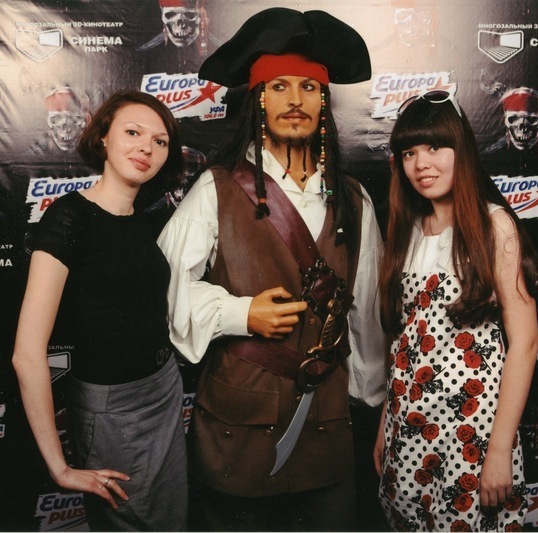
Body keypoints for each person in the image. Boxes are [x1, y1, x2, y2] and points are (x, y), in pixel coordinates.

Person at [157, 7, 387, 531]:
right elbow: (164, 289)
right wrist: (239, 314)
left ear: (324, 101)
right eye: (279, 86)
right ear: (258, 99)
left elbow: (367, 316)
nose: (295, 100)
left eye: (309, 87)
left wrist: (366, 398)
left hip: (327, 421)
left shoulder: (354, 199)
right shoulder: (216, 188)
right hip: (238, 421)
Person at [12, 91, 189, 531]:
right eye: (133, 132)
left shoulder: (146, 218)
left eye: (160, 141)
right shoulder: (69, 218)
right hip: (114, 411)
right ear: (103, 138)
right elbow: (27, 354)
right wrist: (60, 468)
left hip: (165, 390)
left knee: (172, 521)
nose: (146, 148)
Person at [374, 90, 538, 531]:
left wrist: (500, 450)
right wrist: (385, 425)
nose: (421, 164)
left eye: (435, 147)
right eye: (409, 153)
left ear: (461, 149)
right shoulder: (408, 231)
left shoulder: (493, 225)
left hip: (472, 433)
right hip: (409, 429)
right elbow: (403, 341)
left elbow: (526, 342)